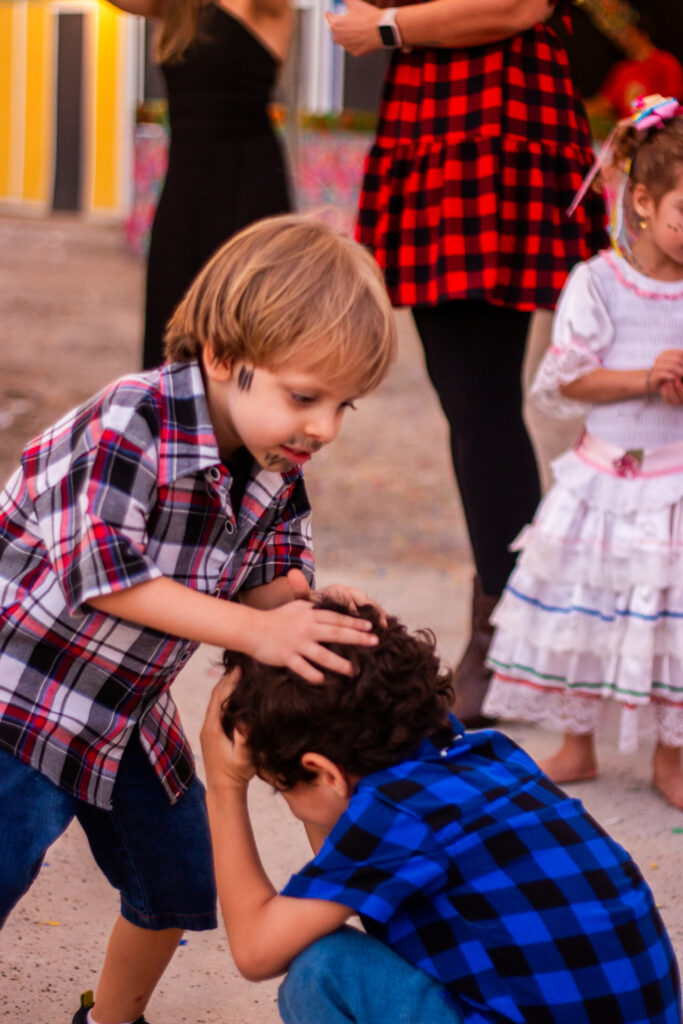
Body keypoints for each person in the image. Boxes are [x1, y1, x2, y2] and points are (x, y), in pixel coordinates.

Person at [0, 215, 397, 1024]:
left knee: (177, 883)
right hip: (21, 701)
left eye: (342, 406)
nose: (324, 427)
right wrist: (258, 632)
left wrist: (314, 610)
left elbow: (268, 586)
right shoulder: (131, 419)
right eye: (305, 397)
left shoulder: (277, 468)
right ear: (223, 357)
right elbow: (101, 577)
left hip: (126, 710)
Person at [199, 598, 681, 1024]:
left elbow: (256, 950)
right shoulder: (488, 755)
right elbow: (339, 869)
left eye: (282, 789)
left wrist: (224, 787)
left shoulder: (395, 812)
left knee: (322, 971)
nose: (290, 803)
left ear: (324, 773)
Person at [326, 0, 608, 728]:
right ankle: (521, 635)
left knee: (479, 401)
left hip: (486, 117)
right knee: (472, 400)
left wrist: (386, 27)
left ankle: (514, 643)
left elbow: (519, 3)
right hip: (442, 117)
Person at [483, 100, 683, 809]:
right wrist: (645, 377)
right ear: (642, 201)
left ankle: (671, 756)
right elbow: (566, 381)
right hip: (602, 478)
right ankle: (577, 744)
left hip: (674, 485)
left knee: (668, 613)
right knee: (584, 603)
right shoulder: (597, 282)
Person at [106, 0, 295, 370]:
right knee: (173, 326)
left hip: (248, 185)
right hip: (185, 190)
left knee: (249, 328)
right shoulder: (177, 8)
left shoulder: (261, 6)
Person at [585, 21, 683, 125]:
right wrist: (579, 107)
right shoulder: (622, 69)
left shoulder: (665, 63)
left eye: (630, 35)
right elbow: (605, 103)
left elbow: (674, 100)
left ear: (643, 36)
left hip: (658, 129)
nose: (624, 41)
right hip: (628, 130)